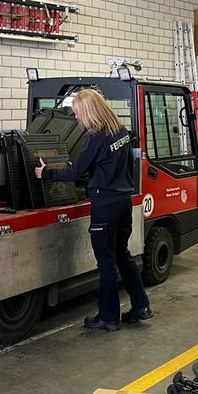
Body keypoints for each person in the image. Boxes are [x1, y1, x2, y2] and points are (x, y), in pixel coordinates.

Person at [34, 88, 152, 332]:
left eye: (78, 113)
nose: (77, 118)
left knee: (106, 263)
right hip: (123, 202)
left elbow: (76, 173)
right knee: (122, 254)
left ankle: (108, 318)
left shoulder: (94, 137)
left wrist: (45, 173)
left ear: (88, 112)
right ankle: (141, 306)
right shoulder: (120, 132)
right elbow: (112, 165)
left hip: (105, 206)